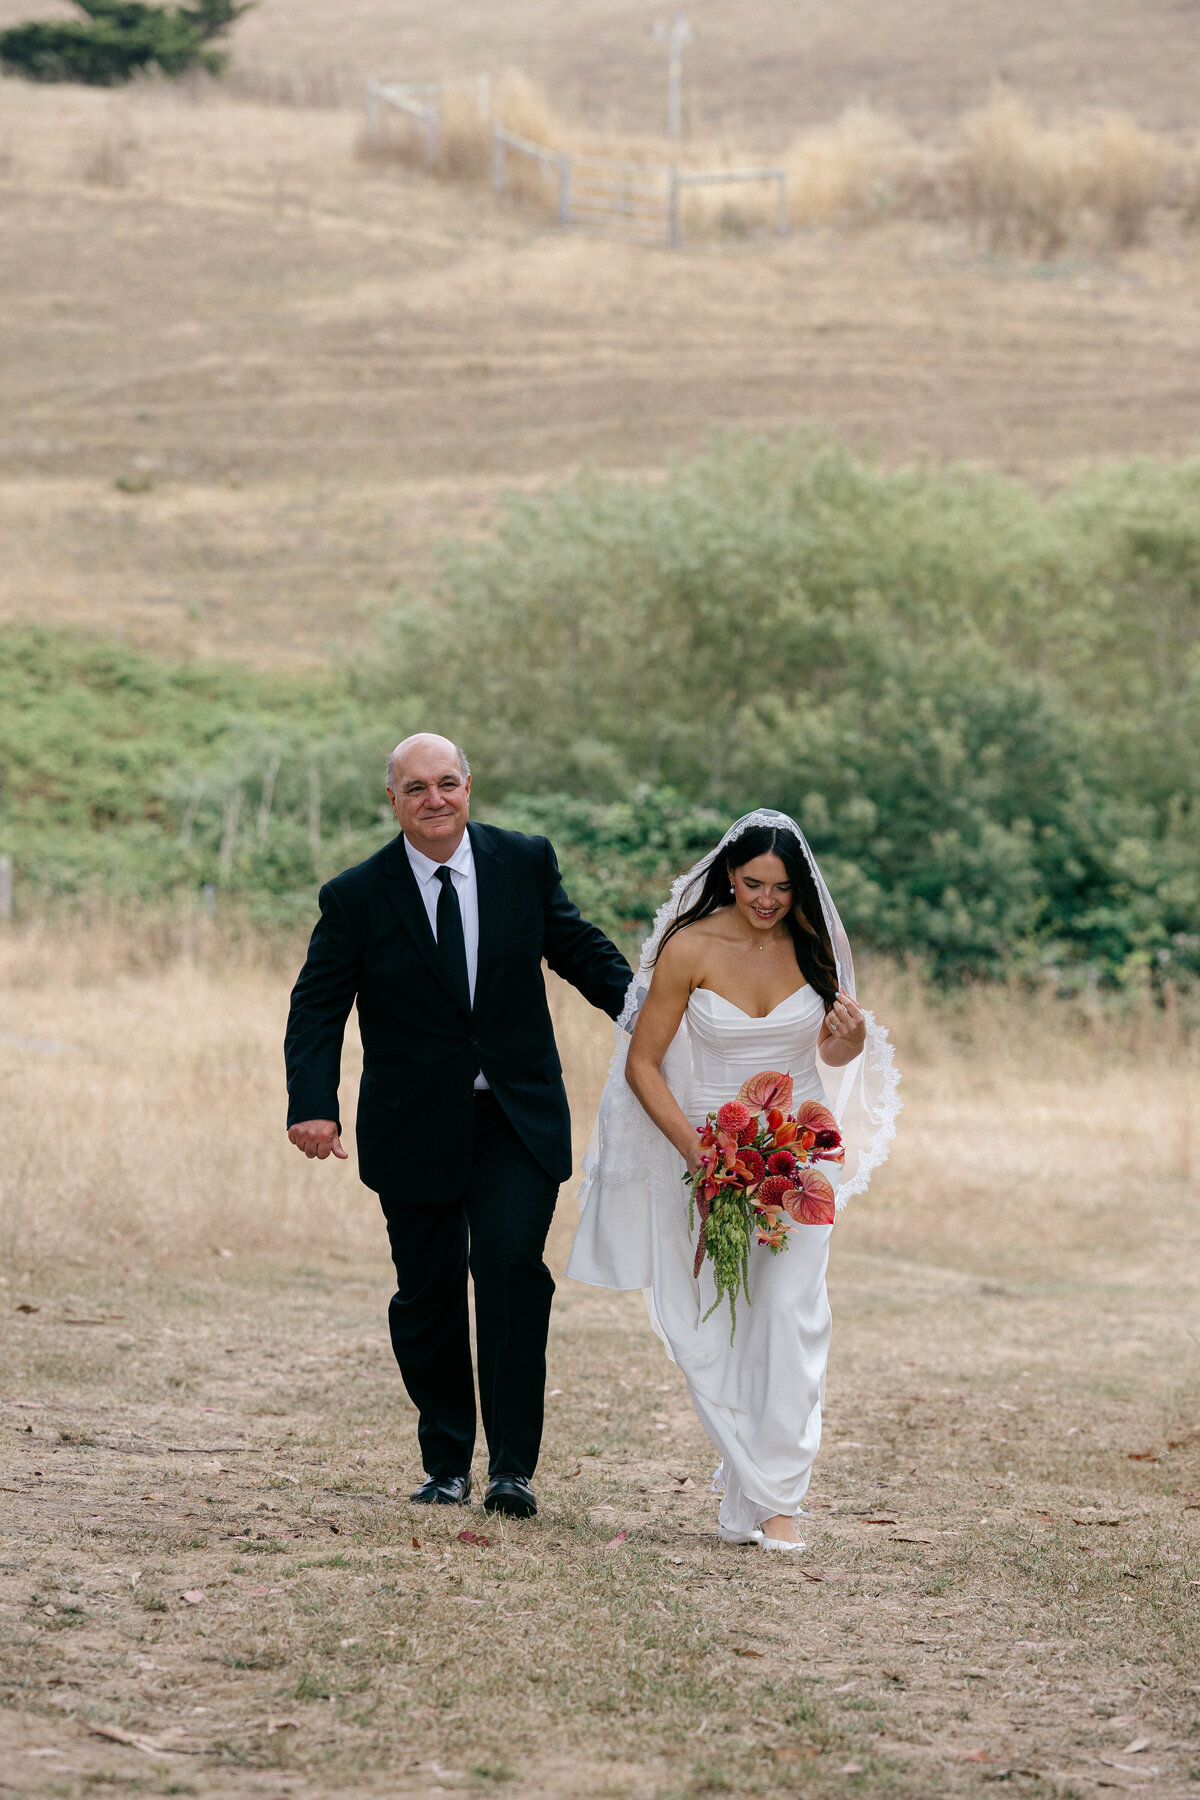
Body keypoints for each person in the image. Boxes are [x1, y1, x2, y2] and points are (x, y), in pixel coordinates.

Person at [284, 734, 631, 1518]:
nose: (434, 799)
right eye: (416, 788)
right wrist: (313, 1102)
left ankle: (512, 1469)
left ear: (469, 786)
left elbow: (574, 946)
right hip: (412, 1126)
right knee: (428, 1292)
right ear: (393, 801)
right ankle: (446, 1462)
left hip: (514, 1115)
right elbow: (316, 1006)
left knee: (511, 1269)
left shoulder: (524, 861)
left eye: (447, 783)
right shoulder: (355, 896)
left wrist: (647, 1012)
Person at [567, 810, 900, 1552]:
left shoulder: (817, 945)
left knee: (788, 1314)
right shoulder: (691, 948)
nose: (768, 900)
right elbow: (642, 1065)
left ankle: (780, 1501)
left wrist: (845, 1044)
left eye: (782, 887)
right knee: (717, 1328)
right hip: (710, 1156)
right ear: (728, 876)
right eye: (754, 883)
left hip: (797, 1156)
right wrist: (697, 1153)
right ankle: (749, 1479)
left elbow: (831, 1059)